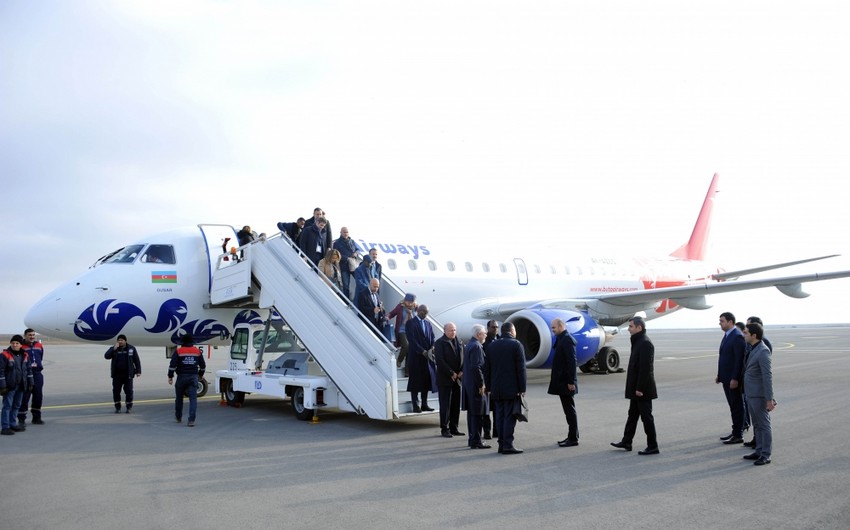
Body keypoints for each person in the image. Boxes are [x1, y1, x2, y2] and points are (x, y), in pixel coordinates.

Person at [611, 316, 659, 455]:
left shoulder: (645, 343)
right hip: (636, 388)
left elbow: (646, 369)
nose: (628, 329)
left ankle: (653, 446)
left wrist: (639, 388)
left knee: (646, 418)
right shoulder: (638, 341)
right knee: (632, 415)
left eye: (631, 326)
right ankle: (627, 441)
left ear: (639, 328)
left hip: (642, 389)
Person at [485, 322, 527, 455]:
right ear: (511, 331)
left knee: (500, 416)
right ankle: (508, 445)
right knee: (510, 417)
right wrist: (522, 387)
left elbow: (487, 368)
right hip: (511, 388)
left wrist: (489, 386)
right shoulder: (516, 345)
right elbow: (521, 369)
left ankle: (501, 444)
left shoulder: (492, 345)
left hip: (496, 388)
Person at [742, 322, 775, 466]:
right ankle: (759, 450)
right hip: (751, 393)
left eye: (746, 333)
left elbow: (767, 376)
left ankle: (766, 454)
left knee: (764, 425)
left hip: (759, 395)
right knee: (757, 424)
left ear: (754, 335)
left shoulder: (763, 351)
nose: (744, 335)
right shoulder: (753, 348)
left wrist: (769, 399)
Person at [548, 318, 579, 447]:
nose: (552, 330)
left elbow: (571, 362)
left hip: (567, 382)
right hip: (563, 382)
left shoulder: (567, 340)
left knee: (570, 411)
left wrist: (571, 382)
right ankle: (571, 436)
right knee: (568, 411)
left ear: (561, 326)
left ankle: (573, 438)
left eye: (554, 327)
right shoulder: (562, 339)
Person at [716, 311, 746, 445]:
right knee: (732, 406)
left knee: (736, 406)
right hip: (726, 378)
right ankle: (735, 432)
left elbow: (739, 360)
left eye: (722, 321)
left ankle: (738, 434)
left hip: (733, 380)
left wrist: (735, 378)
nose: (720, 323)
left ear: (730, 322)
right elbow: (724, 357)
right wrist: (719, 375)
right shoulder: (728, 335)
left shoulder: (737, 336)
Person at [168, 334, 206, 427]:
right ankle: (191, 420)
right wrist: (200, 375)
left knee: (179, 398)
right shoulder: (197, 351)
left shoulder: (178, 351)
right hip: (193, 377)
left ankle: (178, 417)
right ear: (192, 341)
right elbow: (203, 366)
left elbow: (172, 365)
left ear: (183, 342)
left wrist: (170, 376)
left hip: (181, 377)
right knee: (193, 399)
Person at [434, 322, 464, 438]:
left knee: (456, 404)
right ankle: (445, 428)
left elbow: (463, 357)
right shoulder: (440, 343)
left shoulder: (459, 341)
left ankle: (454, 427)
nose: (453, 332)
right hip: (445, 379)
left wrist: (462, 371)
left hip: (458, 379)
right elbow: (440, 361)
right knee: (445, 405)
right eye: (451, 330)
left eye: (455, 330)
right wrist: (451, 373)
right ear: (445, 331)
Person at [462, 324, 490, 449]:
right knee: (478, 414)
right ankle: (476, 441)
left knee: (472, 414)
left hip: (469, 384)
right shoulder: (477, 346)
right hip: (475, 386)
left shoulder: (470, 344)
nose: (486, 335)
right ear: (479, 334)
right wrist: (481, 384)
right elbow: (476, 367)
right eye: (484, 333)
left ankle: (473, 439)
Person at [405, 304, 436, 413]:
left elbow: (432, 336)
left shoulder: (428, 324)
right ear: (420, 311)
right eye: (425, 312)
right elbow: (412, 340)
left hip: (427, 357)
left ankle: (424, 404)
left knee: (426, 381)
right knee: (415, 381)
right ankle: (415, 405)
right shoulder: (410, 323)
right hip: (416, 357)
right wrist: (422, 351)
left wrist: (432, 348)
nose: (426, 315)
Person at [1, 335, 33, 435]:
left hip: (21, 385)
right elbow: (1, 371)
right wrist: (2, 386)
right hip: (10, 386)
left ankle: (13, 424)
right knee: (7, 406)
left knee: (16, 405)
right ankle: (5, 427)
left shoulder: (25, 355)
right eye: (13, 343)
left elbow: (28, 369)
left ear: (21, 345)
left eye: (17, 343)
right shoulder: (4, 355)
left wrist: (30, 382)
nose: (14, 345)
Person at [104, 334, 142, 413]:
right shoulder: (114, 349)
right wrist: (113, 349)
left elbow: (136, 360)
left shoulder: (131, 348)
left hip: (128, 375)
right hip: (117, 375)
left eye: (122, 340)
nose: (120, 342)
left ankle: (129, 407)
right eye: (119, 340)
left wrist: (138, 371)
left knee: (129, 391)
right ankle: (117, 407)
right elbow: (106, 356)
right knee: (116, 391)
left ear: (125, 341)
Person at [18, 328, 45, 426]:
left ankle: (36, 417)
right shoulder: (21, 347)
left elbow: (40, 357)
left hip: (37, 374)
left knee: (38, 396)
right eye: (29, 335)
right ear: (25, 336)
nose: (32, 337)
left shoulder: (39, 345)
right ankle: (21, 418)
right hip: (26, 375)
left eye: (33, 335)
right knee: (25, 397)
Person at [386, 293, 417, 374]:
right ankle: (399, 360)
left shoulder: (416, 308)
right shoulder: (400, 307)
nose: (409, 303)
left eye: (411, 302)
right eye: (408, 301)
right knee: (406, 346)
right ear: (405, 300)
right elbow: (392, 313)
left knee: (410, 350)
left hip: (411, 332)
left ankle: (407, 371)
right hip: (401, 330)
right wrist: (387, 317)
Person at [482, 319, 500, 440]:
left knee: (497, 409)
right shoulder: (484, 343)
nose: (495, 329)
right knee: (486, 409)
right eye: (493, 327)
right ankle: (487, 432)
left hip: (497, 380)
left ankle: (497, 431)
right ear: (488, 328)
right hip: (487, 380)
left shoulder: (500, 340)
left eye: (497, 327)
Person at [332, 227, 361, 299]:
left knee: (360, 282)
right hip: (344, 266)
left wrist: (356, 254)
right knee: (346, 285)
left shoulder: (352, 241)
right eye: (344, 232)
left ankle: (357, 299)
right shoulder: (337, 243)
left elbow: (358, 250)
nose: (346, 234)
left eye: (347, 232)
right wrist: (347, 258)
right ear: (341, 233)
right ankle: (346, 301)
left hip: (354, 266)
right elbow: (336, 255)